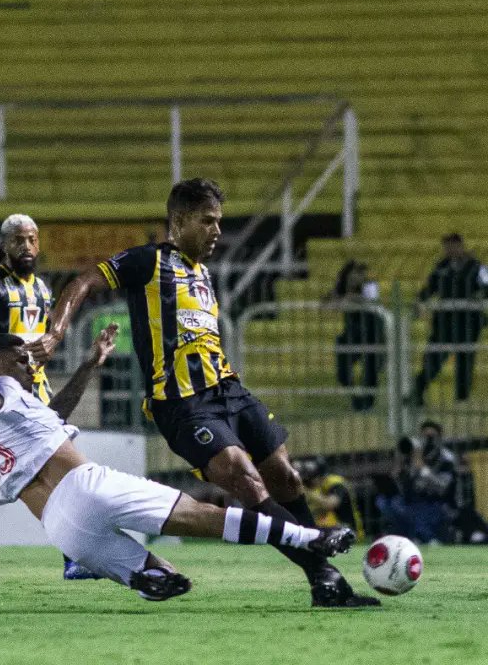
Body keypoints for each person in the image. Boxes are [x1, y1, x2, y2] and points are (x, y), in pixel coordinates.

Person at [26, 177, 380, 607]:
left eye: (219, 222)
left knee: (285, 476)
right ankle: (323, 572)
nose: (217, 231)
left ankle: (323, 579)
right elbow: (84, 282)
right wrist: (58, 330)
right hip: (182, 403)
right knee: (244, 479)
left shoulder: (204, 273)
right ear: (178, 221)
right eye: (207, 221)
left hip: (229, 391)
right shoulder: (148, 262)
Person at [0, 330, 355, 601]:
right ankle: (309, 539)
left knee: (166, 576)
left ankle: (147, 578)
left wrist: (90, 364)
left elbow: (53, 414)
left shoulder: (4, 423)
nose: (32, 366)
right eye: (24, 359)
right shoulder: (0, 387)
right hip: (87, 487)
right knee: (203, 516)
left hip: (62, 531)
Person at [0, 214, 97, 581]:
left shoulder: (43, 290)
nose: (26, 247)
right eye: (18, 241)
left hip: (37, 395)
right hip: (1, 400)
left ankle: (72, 558)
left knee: (56, 472)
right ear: (5, 245)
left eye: (31, 240)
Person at [411, 233, 488, 405]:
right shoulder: (441, 267)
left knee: (465, 361)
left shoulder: (477, 267)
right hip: (444, 322)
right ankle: (418, 388)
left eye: (453, 246)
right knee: (433, 358)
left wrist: (478, 297)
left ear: (461, 246)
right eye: (447, 247)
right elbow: (430, 288)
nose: (450, 250)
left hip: (468, 321)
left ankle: (462, 398)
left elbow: (486, 287)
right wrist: (419, 300)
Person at [376, 420, 458, 543]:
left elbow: (442, 488)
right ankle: (400, 537)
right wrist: (399, 467)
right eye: (425, 436)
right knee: (384, 501)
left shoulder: (446, 458)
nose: (427, 440)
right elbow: (402, 484)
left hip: (436, 501)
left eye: (431, 437)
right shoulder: (413, 454)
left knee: (420, 510)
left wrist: (422, 468)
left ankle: (427, 538)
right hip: (412, 499)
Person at [325, 260, 385, 411]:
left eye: (361, 274)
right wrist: (339, 298)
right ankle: (356, 399)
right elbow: (327, 305)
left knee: (371, 371)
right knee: (343, 372)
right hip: (352, 335)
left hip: (373, 334)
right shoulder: (342, 288)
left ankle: (367, 403)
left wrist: (349, 299)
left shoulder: (370, 285)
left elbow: (372, 302)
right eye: (355, 274)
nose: (358, 277)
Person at [297, 456, 364, 541]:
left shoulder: (335, 482)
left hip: (349, 534)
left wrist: (305, 491)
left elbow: (330, 504)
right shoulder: (316, 488)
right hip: (328, 533)